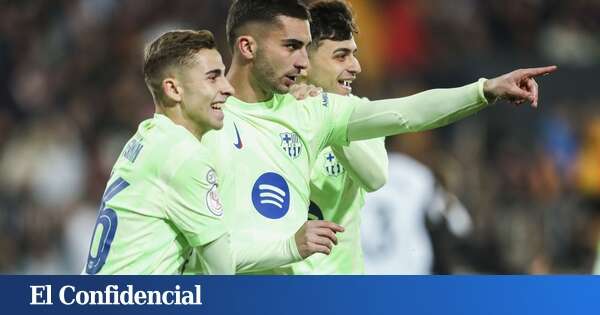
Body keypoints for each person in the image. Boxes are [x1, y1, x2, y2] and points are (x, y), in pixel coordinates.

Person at [199, 0, 556, 274]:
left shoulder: (324, 112)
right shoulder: (207, 123)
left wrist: (485, 89)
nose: (356, 66)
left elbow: (408, 115)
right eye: (341, 55)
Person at [82, 30, 235, 274]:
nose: (228, 88)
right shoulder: (184, 155)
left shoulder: (147, 136)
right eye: (213, 77)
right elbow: (223, 271)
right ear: (174, 89)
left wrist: (290, 247)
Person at [290, 0, 387, 274]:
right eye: (341, 56)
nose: (356, 66)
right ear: (304, 62)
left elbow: (375, 177)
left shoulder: (360, 112)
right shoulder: (275, 116)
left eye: (353, 54)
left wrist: (326, 115)